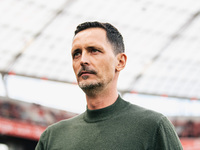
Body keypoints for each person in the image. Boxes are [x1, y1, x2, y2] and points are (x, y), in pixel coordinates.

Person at [35, 21, 183, 150]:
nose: (83, 60)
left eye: (94, 50)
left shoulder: (153, 127)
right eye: (76, 54)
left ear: (120, 62)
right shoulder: (52, 137)